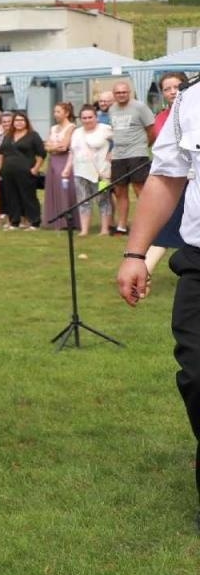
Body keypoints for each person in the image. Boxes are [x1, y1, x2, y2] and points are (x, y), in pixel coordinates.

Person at [115, 74, 200, 532]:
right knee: (196, 375)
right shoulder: (191, 99)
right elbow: (166, 177)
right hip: (199, 262)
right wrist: (135, 254)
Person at [146, 72, 191, 277]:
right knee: (166, 224)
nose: (173, 91)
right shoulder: (162, 117)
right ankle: (144, 270)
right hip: (175, 180)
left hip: (193, 177)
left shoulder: (193, 111)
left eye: (177, 86)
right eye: (167, 88)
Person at [107, 80, 156, 235]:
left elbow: (151, 130)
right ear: (114, 94)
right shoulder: (112, 109)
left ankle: (145, 225)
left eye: (124, 92)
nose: (121, 95)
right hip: (118, 155)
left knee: (139, 188)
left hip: (137, 153)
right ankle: (122, 225)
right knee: (120, 190)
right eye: (118, 92)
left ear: (129, 92)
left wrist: (144, 146)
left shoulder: (139, 107)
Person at [67, 104, 114, 236]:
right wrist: (67, 168)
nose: (87, 120)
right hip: (80, 171)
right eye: (84, 118)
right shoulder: (76, 132)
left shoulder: (105, 129)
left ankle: (105, 229)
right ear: (80, 119)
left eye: (90, 117)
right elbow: (72, 152)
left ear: (95, 117)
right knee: (83, 201)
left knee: (103, 200)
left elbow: (121, 140)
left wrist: (113, 152)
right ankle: (84, 230)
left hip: (101, 172)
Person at [0, 110, 46, 229]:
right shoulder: (8, 136)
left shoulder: (33, 136)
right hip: (8, 171)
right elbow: (1, 152)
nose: (19, 123)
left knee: (28, 196)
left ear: (26, 122)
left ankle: (34, 221)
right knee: (11, 196)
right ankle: (14, 221)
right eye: (16, 120)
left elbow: (41, 153)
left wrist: (36, 168)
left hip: (26, 171)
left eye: (21, 120)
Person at [43, 101, 77, 230]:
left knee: (65, 189)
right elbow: (46, 145)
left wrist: (53, 146)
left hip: (64, 161)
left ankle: (67, 221)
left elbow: (65, 146)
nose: (55, 114)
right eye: (54, 112)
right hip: (53, 160)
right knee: (54, 188)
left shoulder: (71, 127)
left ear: (66, 113)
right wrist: (52, 147)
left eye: (58, 111)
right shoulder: (53, 128)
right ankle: (55, 218)